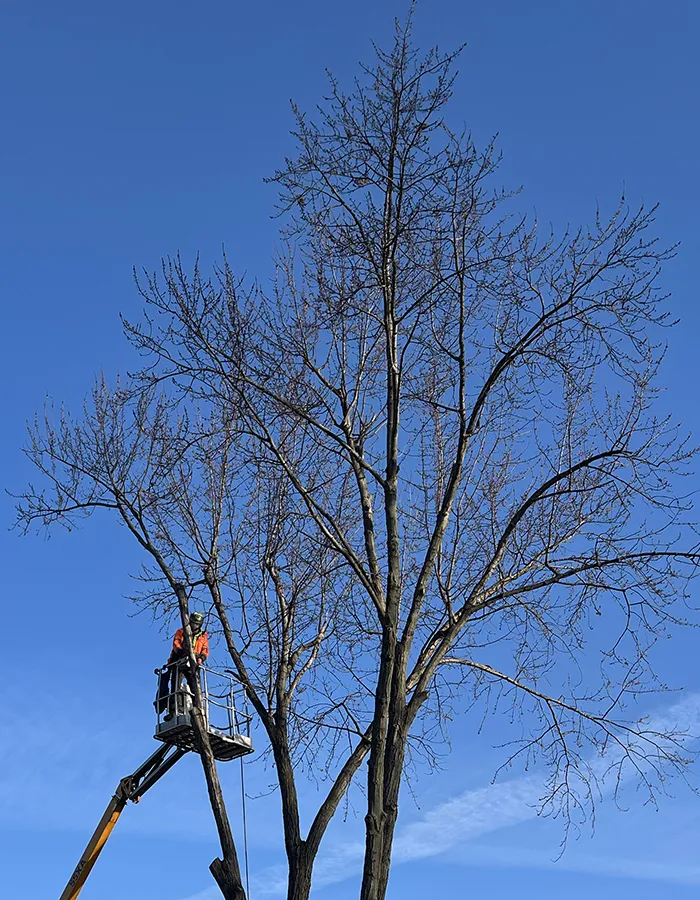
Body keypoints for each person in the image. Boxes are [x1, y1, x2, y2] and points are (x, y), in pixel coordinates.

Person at [157, 612, 209, 720]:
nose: (195, 625)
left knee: (195, 686)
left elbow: (205, 651)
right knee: (175, 685)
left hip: (194, 664)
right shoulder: (181, 632)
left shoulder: (203, 637)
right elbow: (176, 644)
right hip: (178, 661)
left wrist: (199, 660)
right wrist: (182, 653)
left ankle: (198, 709)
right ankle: (173, 710)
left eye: (197, 624)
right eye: (193, 623)